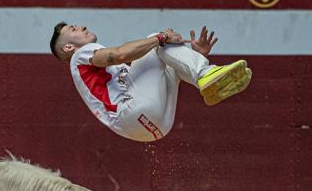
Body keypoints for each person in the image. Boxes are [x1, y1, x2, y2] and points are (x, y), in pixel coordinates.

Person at [49, 23, 251, 141]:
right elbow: (119, 55)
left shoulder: (116, 76)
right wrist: (161, 37)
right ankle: (204, 73)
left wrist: (193, 55)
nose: (82, 26)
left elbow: (162, 64)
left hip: (152, 128)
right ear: (68, 48)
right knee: (155, 40)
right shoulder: (80, 56)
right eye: (74, 29)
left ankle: (205, 76)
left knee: (165, 55)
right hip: (132, 113)